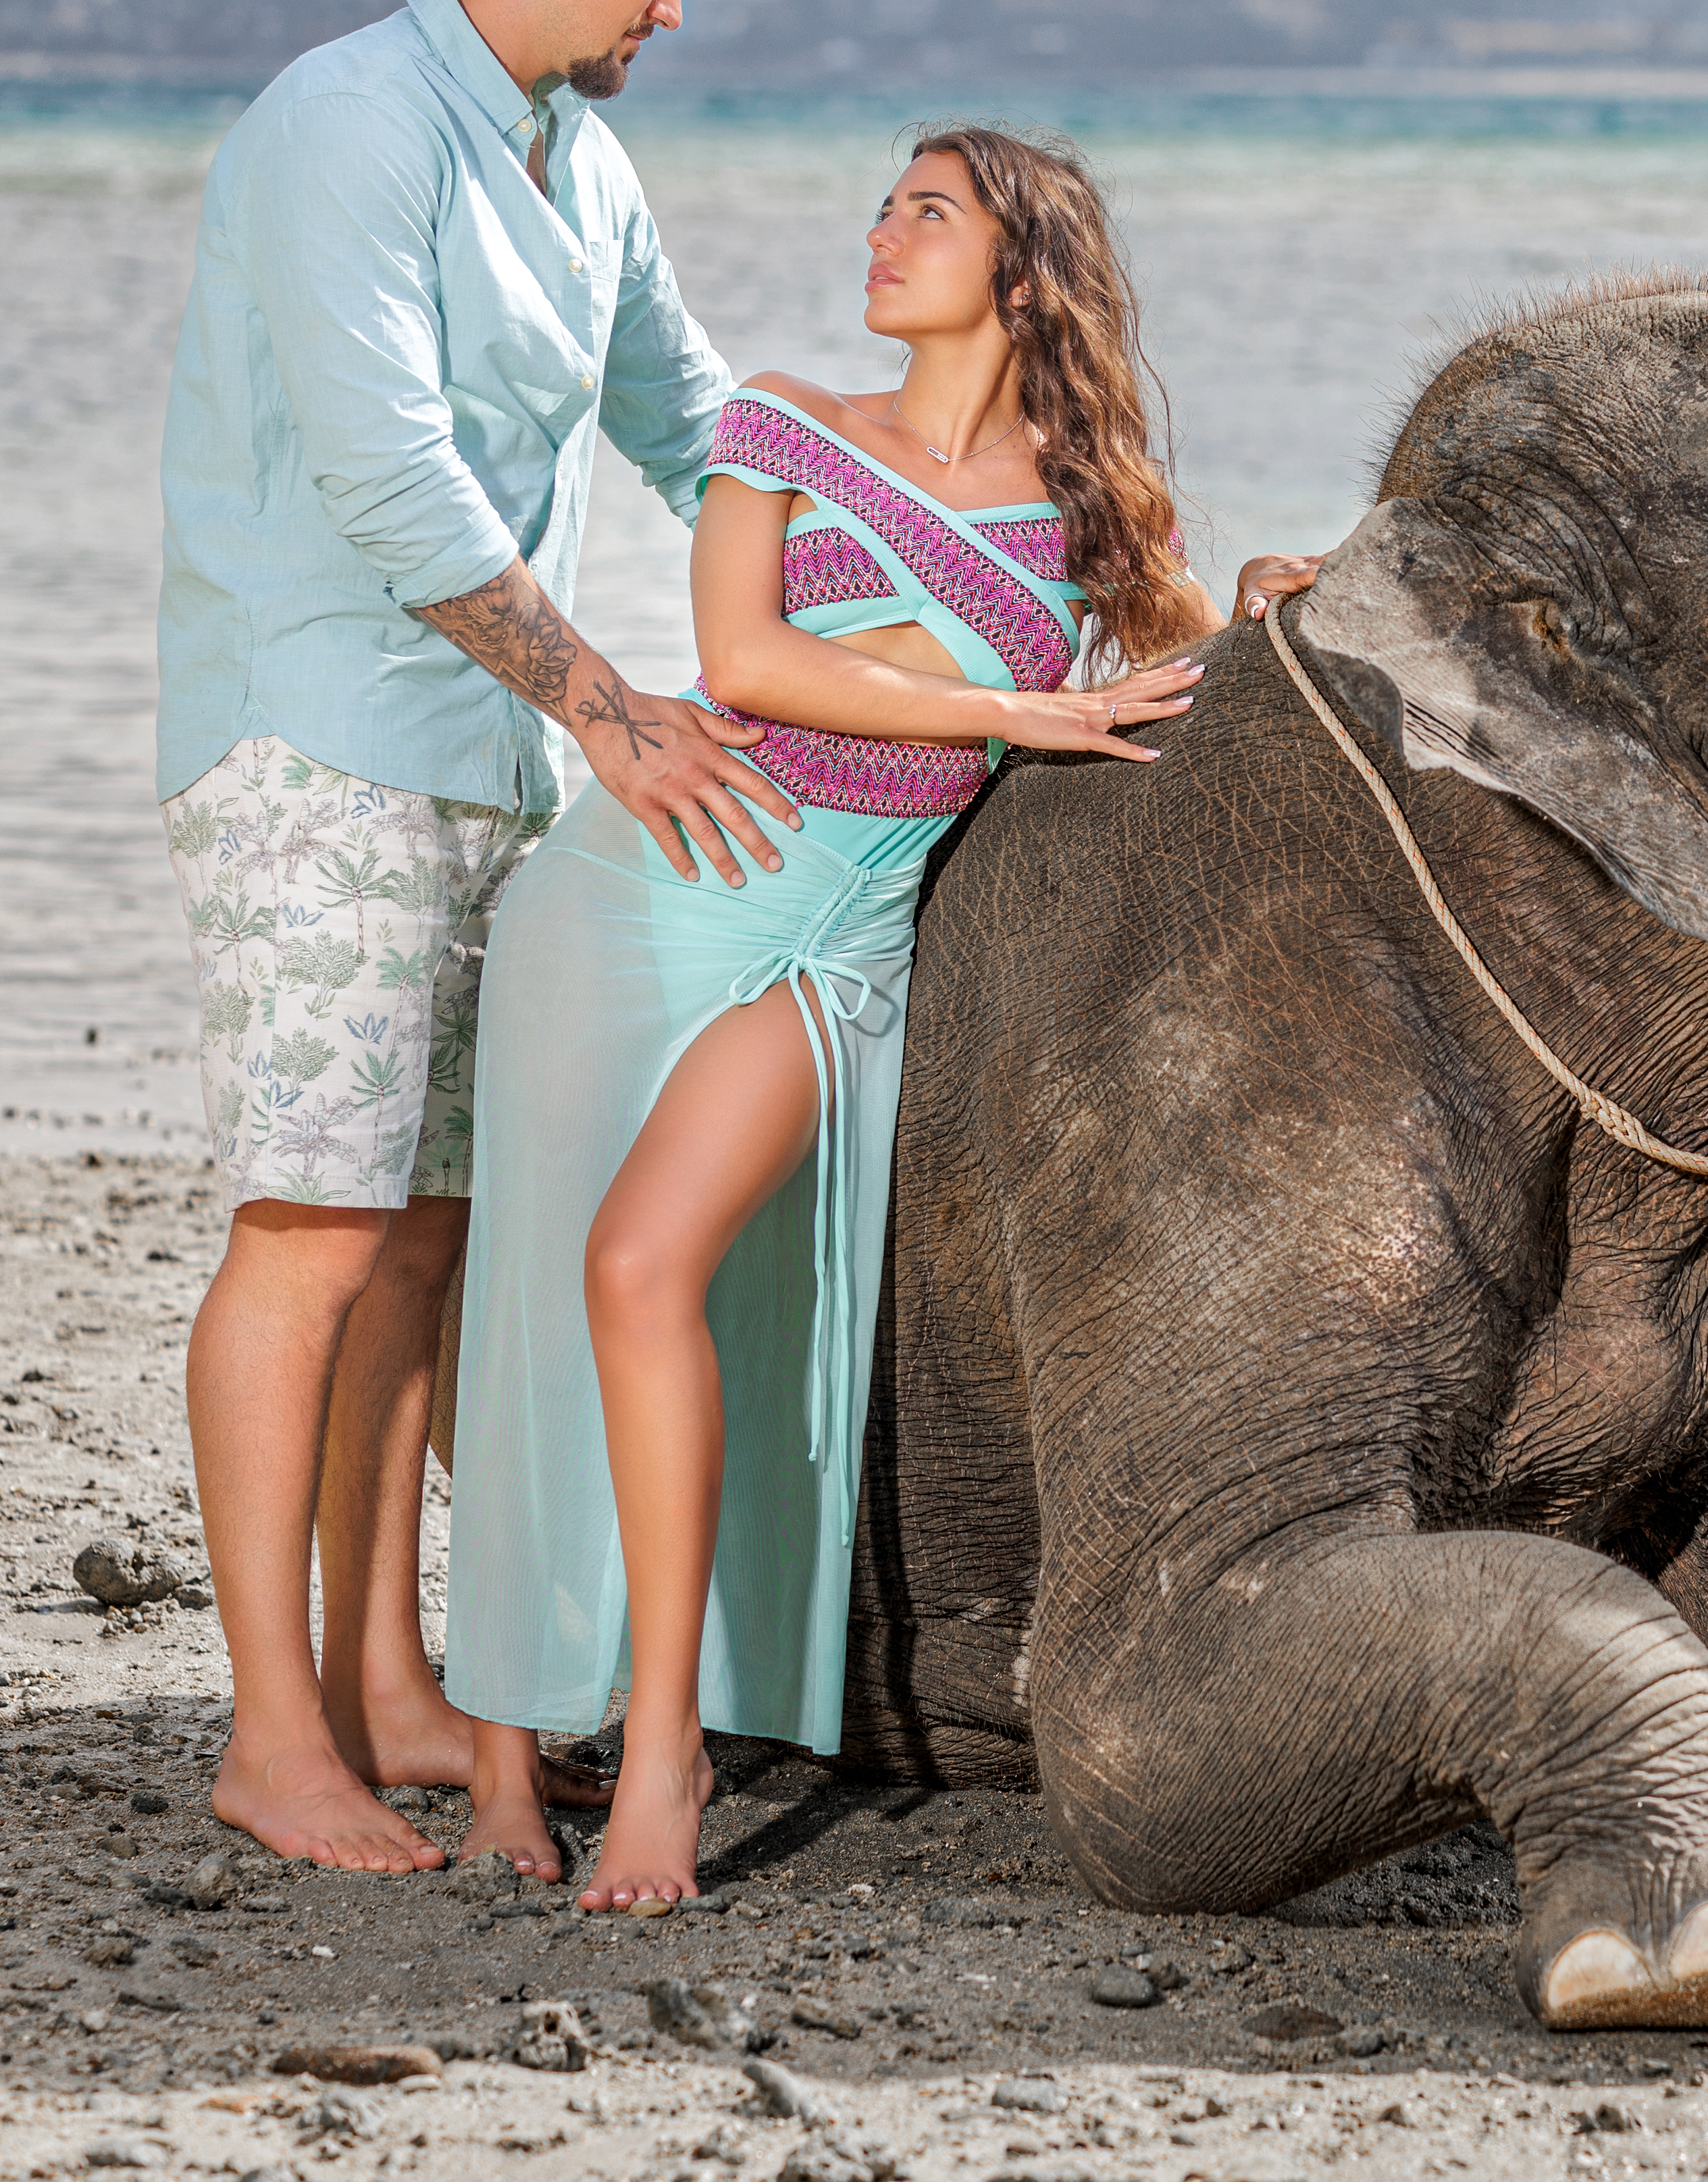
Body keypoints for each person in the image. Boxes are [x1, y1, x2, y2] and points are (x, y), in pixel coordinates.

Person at [440, 127, 1316, 1905]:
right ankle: (501, 1756)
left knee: (640, 1269)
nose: (881, 231)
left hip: (847, 924)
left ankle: (672, 1745)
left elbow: (1156, 681)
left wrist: (1264, 621)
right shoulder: (783, 427)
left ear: (1020, 263)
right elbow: (746, 663)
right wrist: (1024, 713)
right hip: (649, 884)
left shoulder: (1090, 512)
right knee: (544, 1286)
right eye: (884, 204)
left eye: (929, 210)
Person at [155, 0, 800, 1871]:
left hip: (490, 766)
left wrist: (963, 563)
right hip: (317, 743)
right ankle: (271, 1732)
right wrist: (618, 709)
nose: (676, 9)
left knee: (430, 1243)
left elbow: (698, 423)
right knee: (315, 1229)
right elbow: (393, 483)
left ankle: (388, 1683)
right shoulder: (344, 122)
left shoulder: (578, 166)